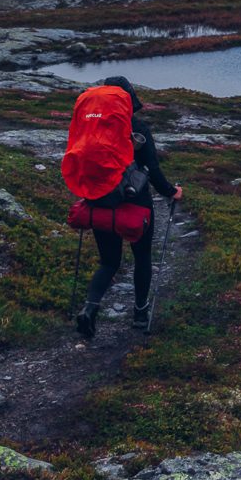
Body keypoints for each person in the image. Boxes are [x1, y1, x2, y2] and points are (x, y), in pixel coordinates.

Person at [74, 75, 181, 338]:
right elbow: (153, 171)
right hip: (136, 203)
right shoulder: (137, 129)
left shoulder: (90, 127)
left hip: (99, 200)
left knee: (109, 261)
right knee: (142, 256)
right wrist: (171, 192)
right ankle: (140, 313)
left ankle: (89, 309)